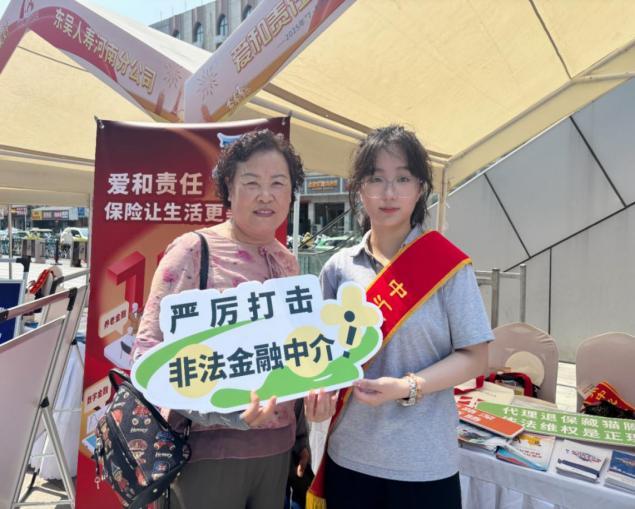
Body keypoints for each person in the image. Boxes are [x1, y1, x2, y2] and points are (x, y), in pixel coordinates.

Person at [306, 125, 492, 509]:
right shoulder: (339, 268)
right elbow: (322, 356)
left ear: (421, 188)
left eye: (402, 179)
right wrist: (319, 393)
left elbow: (476, 357)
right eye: (376, 179)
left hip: (424, 464)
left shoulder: (448, 266)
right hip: (350, 457)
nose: (389, 193)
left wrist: (407, 386)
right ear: (359, 189)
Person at [132, 129, 310, 509]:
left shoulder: (288, 262)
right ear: (229, 187)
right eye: (252, 182)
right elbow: (147, 356)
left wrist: (302, 437)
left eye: (278, 183)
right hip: (206, 455)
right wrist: (227, 413)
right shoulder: (194, 251)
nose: (266, 195)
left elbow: (293, 358)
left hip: (276, 454)